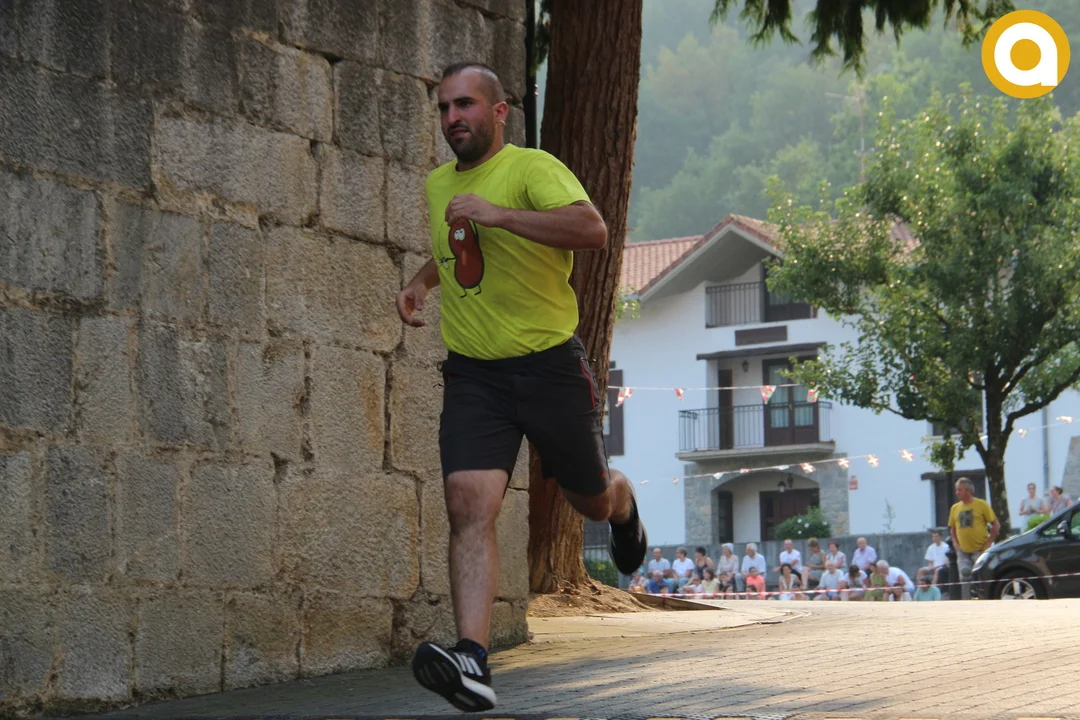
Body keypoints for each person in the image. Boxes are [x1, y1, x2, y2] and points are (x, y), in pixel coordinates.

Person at [401, 62, 648, 713]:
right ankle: (472, 661)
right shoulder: (437, 186)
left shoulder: (532, 169)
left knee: (590, 501)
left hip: (549, 368)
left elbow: (592, 230)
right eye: (444, 108)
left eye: (465, 105)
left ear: (498, 111)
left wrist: (502, 215)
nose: (453, 117)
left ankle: (623, 502)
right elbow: (457, 247)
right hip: (475, 375)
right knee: (467, 504)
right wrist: (421, 282)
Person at [948, 476, 1000, 600]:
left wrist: (988, 543)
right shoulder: (955, 508)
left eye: (960, 490)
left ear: (968, 491)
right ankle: (966, 602)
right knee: (964, 575)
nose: (957, 492)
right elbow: (952, 529)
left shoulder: (981, 504)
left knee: (982, 576)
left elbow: (996, 525)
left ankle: (984, 600)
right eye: (956, 489)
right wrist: (955, 544)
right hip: (963, 551)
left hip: (980, 550)